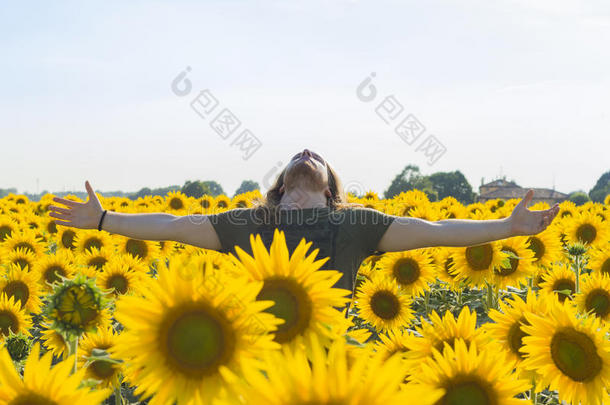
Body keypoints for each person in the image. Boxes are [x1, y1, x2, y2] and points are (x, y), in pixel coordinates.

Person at [48, 148, 560, 299]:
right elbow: (177, 226)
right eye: (298, 154)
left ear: (331, 190)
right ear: (281, 184)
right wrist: (105, 219)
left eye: (314, 155)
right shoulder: (252, 221)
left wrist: (507, 229)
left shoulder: (357, 225)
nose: (306, 154)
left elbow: (436, 231)